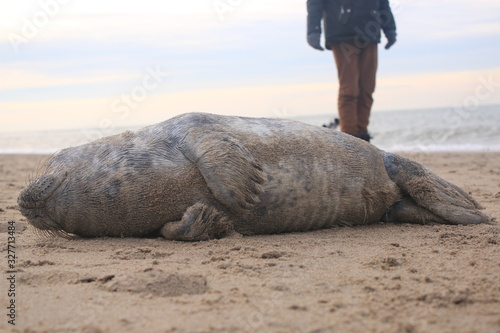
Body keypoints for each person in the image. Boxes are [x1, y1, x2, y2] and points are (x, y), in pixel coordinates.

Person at [306, 0, 397, 142]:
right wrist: (314, 30)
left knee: (367, 89)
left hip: (370, 31)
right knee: (349, 90)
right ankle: (349, 139)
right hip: (341, 31)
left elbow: (383, 3)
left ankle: (362, 138)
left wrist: (390, 29)